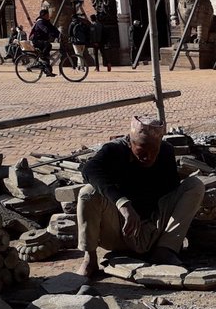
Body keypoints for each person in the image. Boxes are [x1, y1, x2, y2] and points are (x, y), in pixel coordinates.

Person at [76, 115, 206, 279]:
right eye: (142, 151)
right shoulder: (114, 150)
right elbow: (89, 170)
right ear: (131, 143)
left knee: (195, 185)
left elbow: (170, 191)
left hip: (153, 228)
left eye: (154, 151)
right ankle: (90, 259)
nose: (148, 157)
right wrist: (123, 204)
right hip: (119, 231)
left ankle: (165, 249)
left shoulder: (166, 151)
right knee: (88, 193)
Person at [29, 8, 59, 76]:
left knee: (47, 55)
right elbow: (45, 29)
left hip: (42, 40)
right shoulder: (40, 22)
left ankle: (48, 72)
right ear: (43, 15)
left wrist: (59, 34)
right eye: (47, 15)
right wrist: (52, 34)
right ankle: (42, 57)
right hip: (36, 40)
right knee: (48, 46)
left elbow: (53, 28)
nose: (48, 16)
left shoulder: (46, 21)